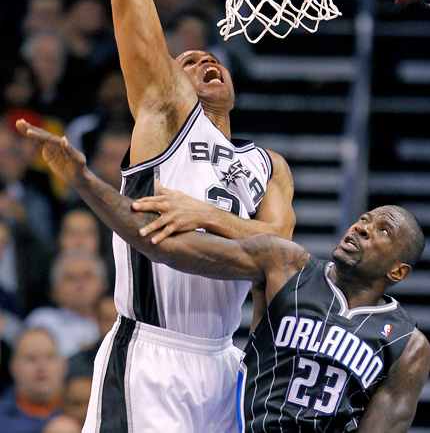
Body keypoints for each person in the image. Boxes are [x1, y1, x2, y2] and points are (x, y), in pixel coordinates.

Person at [63, 0, 295, 432]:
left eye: (209, 58)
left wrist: (204, 215)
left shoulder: (266, 165)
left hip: (227, 364)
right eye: (185, 62)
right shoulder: (166, 116)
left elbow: (285, 254)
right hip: (151, 354)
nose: (200, 60)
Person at [16, 121, 430, 432]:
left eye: (383, 230)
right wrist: (84, 181)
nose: (361, 227)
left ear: (399, 270)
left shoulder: (406, 345)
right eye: (364, 219)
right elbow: (163, 246)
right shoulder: (289, 267)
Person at [25, 250, 108, 359]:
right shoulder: (41, 322)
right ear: (55, 289)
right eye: (70, 278)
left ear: (103, 284)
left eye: (87, 276)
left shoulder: (114, 321)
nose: (80, 285)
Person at [0, 327, 66, 433]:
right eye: (31, 358)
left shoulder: (86, 410)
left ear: (64, 364)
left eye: (50, 357)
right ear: (13, 367)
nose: (41, 367)